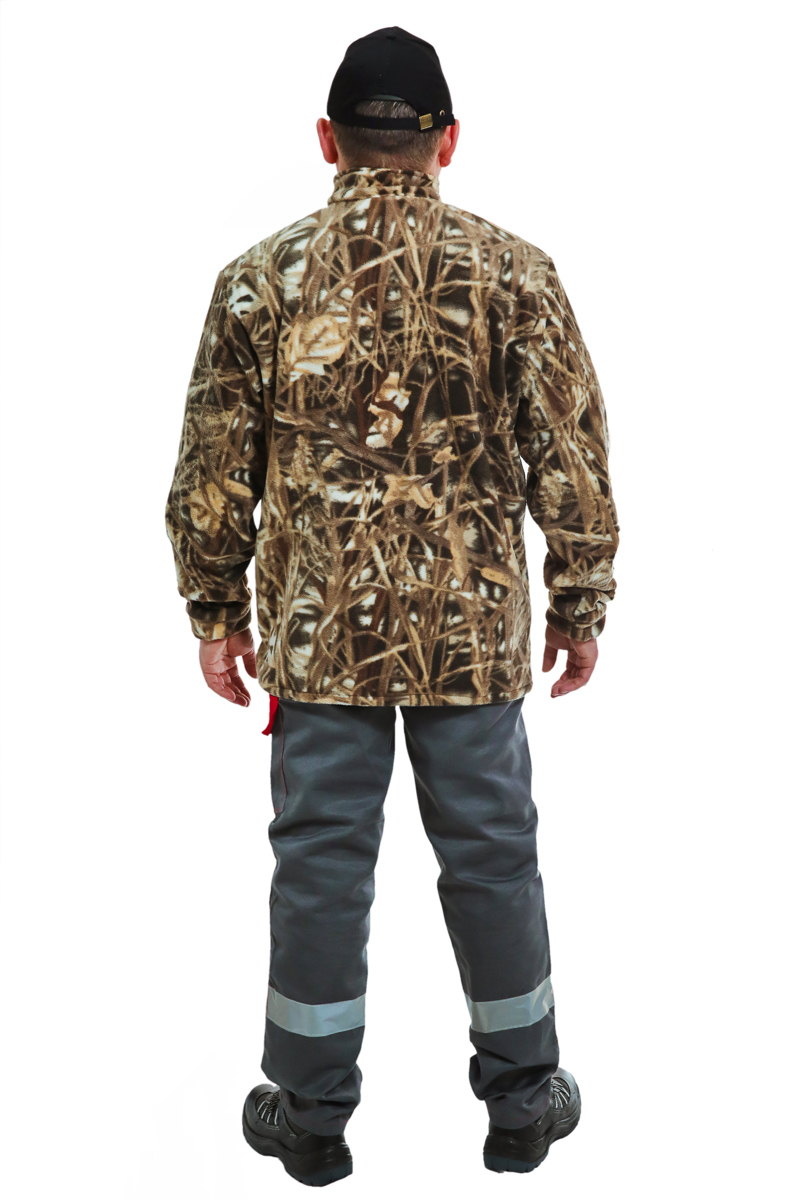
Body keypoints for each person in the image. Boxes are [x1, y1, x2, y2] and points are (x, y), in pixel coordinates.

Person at [165, 25, 620, 1188]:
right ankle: (522, 1102)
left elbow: (213, 468)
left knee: (319, 864)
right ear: (446, 143)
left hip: (319, 640)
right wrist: (578, 600)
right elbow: (569, 453)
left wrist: (216, 611)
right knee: (492, 857)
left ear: (327, 140)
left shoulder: (259, 280)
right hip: (470, 640)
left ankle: (310, 1117)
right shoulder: (514, 275)